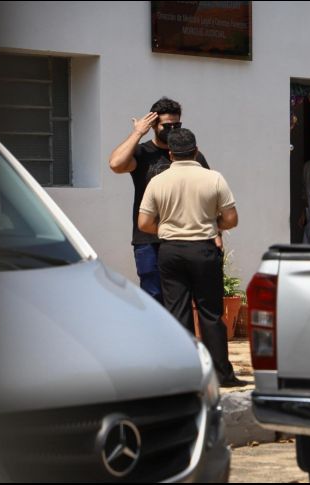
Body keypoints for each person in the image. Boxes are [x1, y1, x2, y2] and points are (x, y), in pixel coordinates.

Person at [138, 128, 247, 388]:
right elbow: (231, 219)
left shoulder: (158, 181)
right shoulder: (213, 178)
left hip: (170, 250)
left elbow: (144, 223)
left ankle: (184, 375)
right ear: (196, 151)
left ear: (171, 154)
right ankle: (222, 374)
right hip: (203, 249)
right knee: (211, 313)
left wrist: (167, 229)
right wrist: (211, 224)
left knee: (178, 312)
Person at [108, 97, 215, 304]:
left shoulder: (190, 154)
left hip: (184, 238)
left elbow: (206, 194)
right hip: (148, 239)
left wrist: (215, 234)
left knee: (181, 300)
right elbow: (115, 164)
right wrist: (138, 132)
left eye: (177, 125)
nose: (172, 129)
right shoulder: (143, 152)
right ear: (154, 125)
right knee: (153, 297)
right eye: (167, 125)